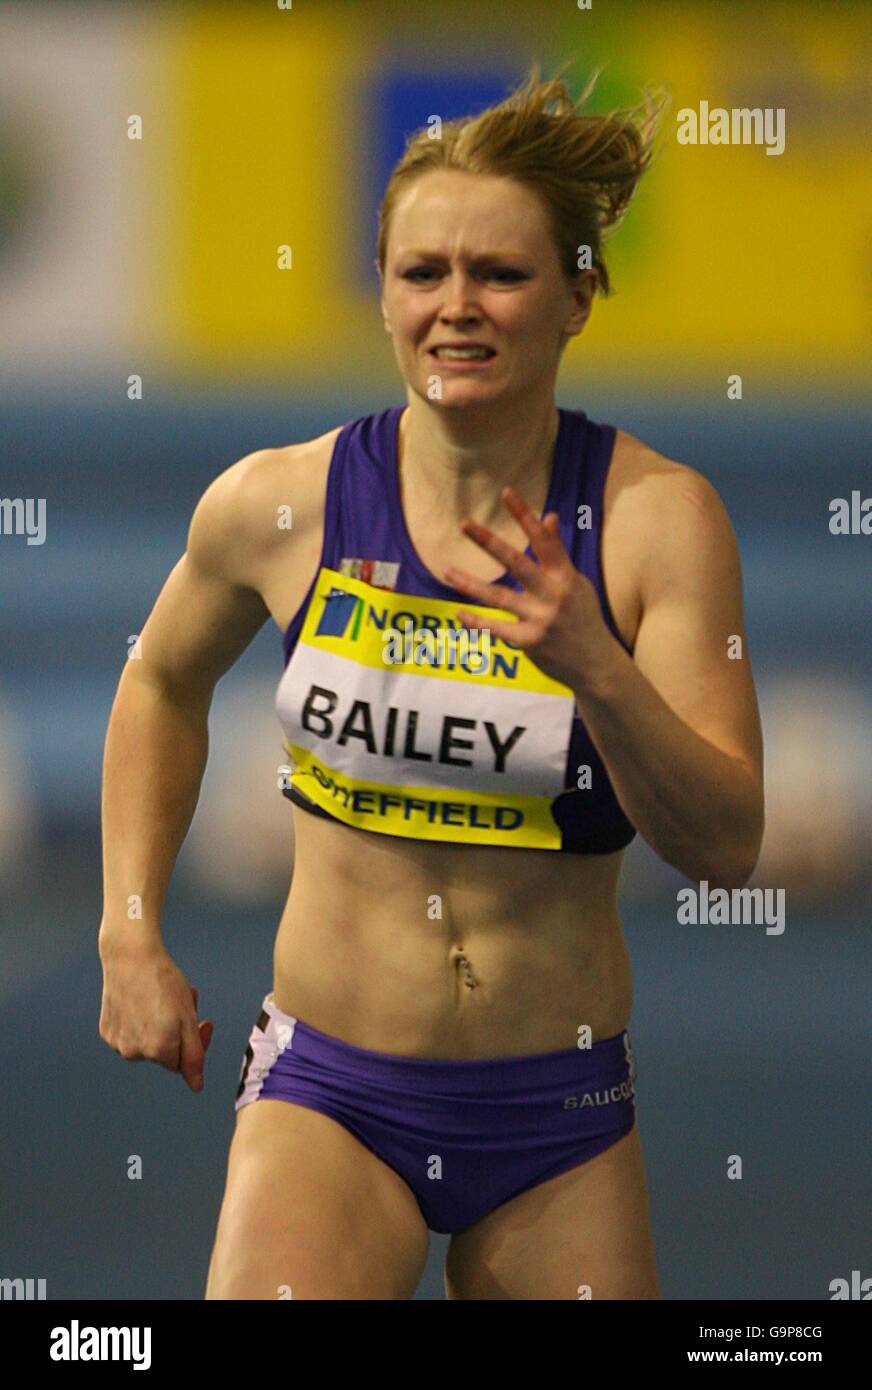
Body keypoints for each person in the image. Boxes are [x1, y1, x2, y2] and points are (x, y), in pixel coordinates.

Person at [98, 66, 764, 1300]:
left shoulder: (654, 524)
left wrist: (594, 669)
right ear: (384, 292)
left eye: (499, 274)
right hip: (332, 1091)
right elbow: (156, 684)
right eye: (422, 272)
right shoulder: (278, 503)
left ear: (575, 296)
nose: (456, 306)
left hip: (556, 1109)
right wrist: (128, 931)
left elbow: (725, 843)